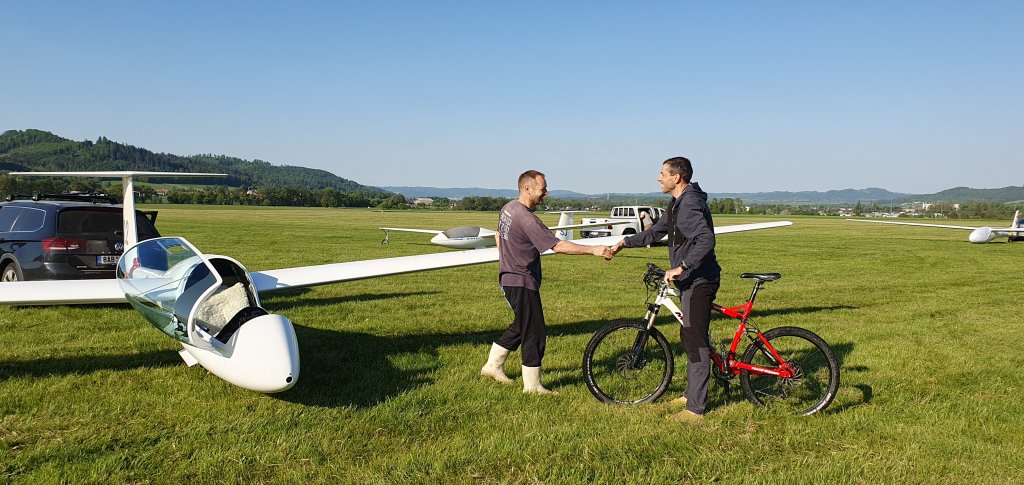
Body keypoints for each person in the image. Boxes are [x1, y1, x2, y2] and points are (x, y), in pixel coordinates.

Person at [607, 157, 721, 421]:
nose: (659, 178)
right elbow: (655, 233)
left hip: (699, 280)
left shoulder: (689, 203)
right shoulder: (677, 203)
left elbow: (706, 239)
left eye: (662, 173)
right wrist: (624, 243)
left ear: (676, 177)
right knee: (688, 335)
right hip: (690, 279)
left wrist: (682, 266)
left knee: (696, 341)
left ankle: (696, 409)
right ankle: (690, 393)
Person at [480, 170, 611, 394]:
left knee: (523, 323)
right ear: (527, 189)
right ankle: (532, 386)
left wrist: (507, 260)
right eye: (543, 189)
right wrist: (594, 250)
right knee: (534, 331)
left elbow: (498, 236)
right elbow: (557, 245)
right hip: (521, 281)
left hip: (509, 278)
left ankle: (493, 366)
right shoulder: (527, 219)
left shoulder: (508, 208)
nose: (546, 193)